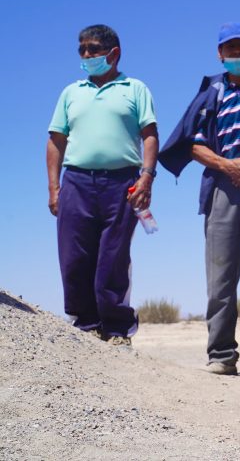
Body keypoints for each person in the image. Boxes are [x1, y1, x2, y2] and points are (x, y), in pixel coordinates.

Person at [159, 23, 240, 375]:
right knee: (220, 278)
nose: (237, 55)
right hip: (222, 190)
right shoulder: (212, 94)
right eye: (230, 49)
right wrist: (227, 165)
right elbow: (194, 143)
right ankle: (222, 355)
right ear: (220, 54)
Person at [46, 24, 158, 347]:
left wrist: (147, 176)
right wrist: (54, 188)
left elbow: (149, 135)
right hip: (76, 182)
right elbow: (55, 141)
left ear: (114, 53)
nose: (85, 55)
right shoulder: (71, 92)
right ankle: (85, 325)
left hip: (123, 183)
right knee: (73, 257)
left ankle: (117, 329)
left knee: (113, 256)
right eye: (81, 49)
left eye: (92, 49)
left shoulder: (135, 88)